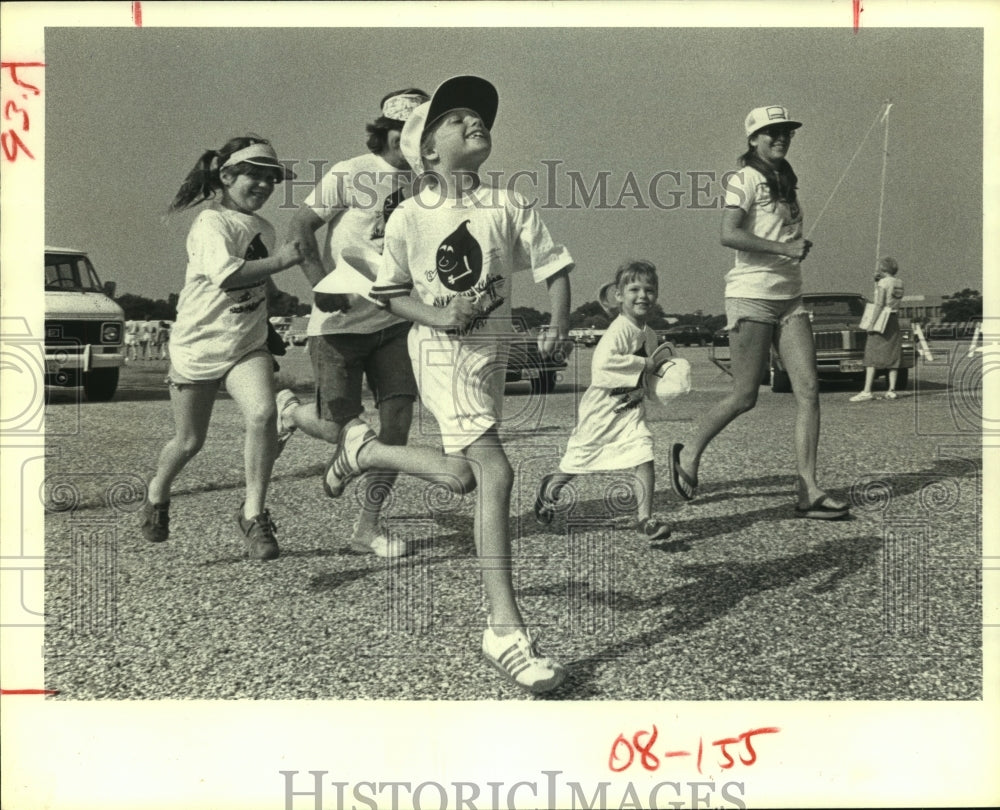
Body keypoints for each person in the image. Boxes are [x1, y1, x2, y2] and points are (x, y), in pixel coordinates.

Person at [359, 75, 574, 693]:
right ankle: (504, 629)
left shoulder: (510, 203)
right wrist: (439, 316)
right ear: (425, 150)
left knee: (460, 477)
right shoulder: (407, 217)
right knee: (496, 473)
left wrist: (557, 324)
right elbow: (393, 294)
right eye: (453, 119)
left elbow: (555, 266)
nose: (472, 122)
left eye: (477, 117)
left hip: (491, 359)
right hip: (438, 354)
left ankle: (363, 450)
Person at [669, 106, 850, 520]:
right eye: (771, 132)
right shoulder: (744, 178)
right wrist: (785, 249)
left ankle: (809, 489)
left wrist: (792, 246)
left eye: (785, 132)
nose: (780, 138)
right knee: (745, 395)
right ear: (753, 139)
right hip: (751, 297)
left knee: (809, 390)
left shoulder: (786, 181)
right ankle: (689, 452)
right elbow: (728, 233)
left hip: (791, 298)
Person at [275, 87, 432, 559]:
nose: (420, 143)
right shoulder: (352, 172)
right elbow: (300, 227)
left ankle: (368, 527)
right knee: (337, 426)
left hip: (396, 322)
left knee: (396, 427)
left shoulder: (430, 186)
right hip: (339, 322)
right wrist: (321, 284)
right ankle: (291, 413)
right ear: (387, 133)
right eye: (412, 132)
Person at [140, 136, 303, 560]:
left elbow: (257, 274)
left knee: (264, 414)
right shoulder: (212, 223)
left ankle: (253, 513)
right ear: (226, 176)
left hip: (245, 346)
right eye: (254, 175)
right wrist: (283, 262)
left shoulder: (262, 228)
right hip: (197, 346)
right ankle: (158, 491)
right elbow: (229, 275)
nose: (265, 185)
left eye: (272, 178)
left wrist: (278, 295)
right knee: (190, 441)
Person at [534, 260, 672, 541]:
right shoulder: (619, 330)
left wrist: (664, 379)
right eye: (634, 289)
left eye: (649, 289)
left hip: (630, 409)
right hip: (601, 411)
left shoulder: (649, 333)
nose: (642, 295)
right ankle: (550, 489)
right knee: (579, 460)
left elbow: (653, 370)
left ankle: (645, 519)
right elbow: (603, 366)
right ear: (619, 295)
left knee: (643, 454)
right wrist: (645, 363)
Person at [850, 257, 904, 401]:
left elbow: (879, 304)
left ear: (883, 269)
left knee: (871, 354)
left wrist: (871, 323)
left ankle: (867, 390)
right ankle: (891, 389)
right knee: (893, 354)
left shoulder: (883, 283)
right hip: (893, 319)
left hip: (882, 319)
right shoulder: (899, 282)